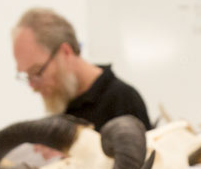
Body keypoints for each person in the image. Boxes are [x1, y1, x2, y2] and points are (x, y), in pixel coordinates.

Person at [11, 8, 151, 130]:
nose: (33, 86)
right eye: (28, 76)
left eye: (37, 72)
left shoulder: (123, 100)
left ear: (65, 52)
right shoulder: (63, 103)